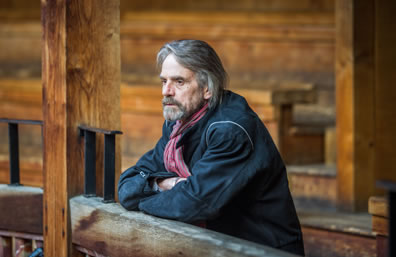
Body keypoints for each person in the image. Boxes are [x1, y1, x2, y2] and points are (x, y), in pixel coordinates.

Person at [118, 39, 304, 255]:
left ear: (207, 88)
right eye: (163, 81)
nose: (166, 91)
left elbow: (194, 204)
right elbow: (127, 185)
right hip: (219, 247)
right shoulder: (178, 125)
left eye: (179, 82)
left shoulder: (231, 131)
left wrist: (143, 198)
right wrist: (165, 184)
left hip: (262, 250)